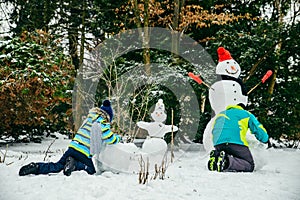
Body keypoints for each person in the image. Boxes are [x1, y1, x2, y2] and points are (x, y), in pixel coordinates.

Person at [19, 100, 121, 176]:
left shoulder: (88, 120)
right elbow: (110, 138)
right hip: (83, 152)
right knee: (91, 170)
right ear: (107, 117)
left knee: (57, 166)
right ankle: (75, 164)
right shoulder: (102, 123)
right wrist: (118, 138)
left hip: (73, 147)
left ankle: (36, 167)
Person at [207, 103, 269, 172]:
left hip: (218, 143)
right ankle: (226, 161)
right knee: (249, 165)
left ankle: (216, 158)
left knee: (229, 153)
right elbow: (258, 129)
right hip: (236, 143)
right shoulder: (246, 114)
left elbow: (213, 129)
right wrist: (265, 140)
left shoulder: (220, 114)